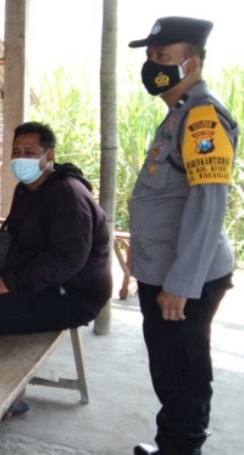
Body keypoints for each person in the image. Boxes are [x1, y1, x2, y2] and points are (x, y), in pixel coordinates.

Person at [0, 122, 112, 419]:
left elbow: (67, 259)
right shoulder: (27, 188)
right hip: (38, 280)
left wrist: (12, 282)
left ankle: (4, 397)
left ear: (49, 155)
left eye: (30, 152)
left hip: (74, 293)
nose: (21, 158)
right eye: (16, 151)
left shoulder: (68, 196)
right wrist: (8, 277)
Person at [127, 17, 239, 455]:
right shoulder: (180, 114)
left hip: (184, 275)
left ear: (190, 64)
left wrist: (181, 283)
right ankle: (172, 445)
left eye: (162, 56)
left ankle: (182, 449)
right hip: (165, 269)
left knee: (184, 370)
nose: (152, 64)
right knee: (169, 366)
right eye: (150, 56)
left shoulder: (202, 118)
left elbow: (208, 203)